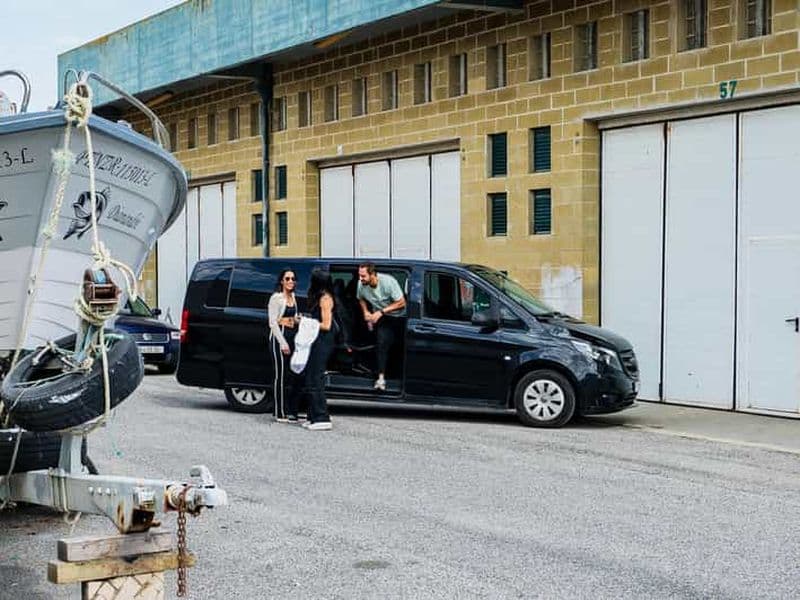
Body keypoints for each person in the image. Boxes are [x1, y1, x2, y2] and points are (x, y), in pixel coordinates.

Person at [357, 263, 406, 391]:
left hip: (398, 316)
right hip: (382, 318)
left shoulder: (388, 282)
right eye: (359, 275)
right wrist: (366, 312)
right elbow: (360, 298)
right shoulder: (361, 284)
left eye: (363, 276)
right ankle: (381, 378)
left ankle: (398, 375)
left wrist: (381, 312)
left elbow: (401, 302)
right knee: (381, 343)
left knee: (399, 346)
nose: (360, 279)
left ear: (373, 274)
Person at [301, 268, 336, 431]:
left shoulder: (325, 298)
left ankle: (322, 417)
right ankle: (312, 416)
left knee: (316, 377)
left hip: (323, 340)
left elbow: (326, 324)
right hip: (316, 339)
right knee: (310, 377)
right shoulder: (318, 296)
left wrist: (305, 322)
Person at [267, 268, 301, 423]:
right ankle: (279, 411)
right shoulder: (276, 298)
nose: (290, 282)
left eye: (293, 279)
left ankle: (291, 409)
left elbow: (293, 317)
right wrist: (282, 343)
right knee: (279, 375)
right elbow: (273, 322)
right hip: (280, 337)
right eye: (287, 279)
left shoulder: (293, 297)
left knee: (292, 375)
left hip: (292, 334)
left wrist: (297, 320)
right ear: (281, 281)